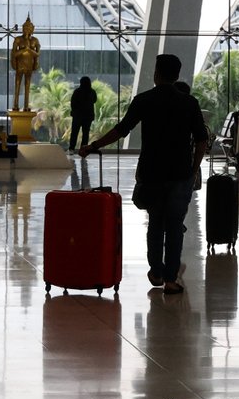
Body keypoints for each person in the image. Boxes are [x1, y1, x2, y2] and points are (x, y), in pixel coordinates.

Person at [79, 54, 207, 295]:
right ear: (177, 75)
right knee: (175, 225)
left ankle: (156, 271)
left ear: (156, 74)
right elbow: (202, 139)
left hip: (152, 172)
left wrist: (93, 146)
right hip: (180, 173)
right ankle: (171, 279)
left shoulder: (144, 100)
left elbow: (121, 130)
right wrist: (193, 168)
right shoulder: (189, 103)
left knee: (156, 223)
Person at [10, 16, 40, 111]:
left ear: (32, 29)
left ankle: (26, 105)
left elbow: (37, 54)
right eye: (25, 28)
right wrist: (24, 50)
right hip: (20, 64)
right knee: (17, 84)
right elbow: (14, 53)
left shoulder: (35, 40)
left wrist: (29, 51)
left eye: (29, 28)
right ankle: (15, 104)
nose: (27, 30)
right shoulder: (18, 40)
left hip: (29, 65)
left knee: (27, 85)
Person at [68, 76, 97, 154]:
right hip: (88, 116)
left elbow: (73, 103)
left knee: (74, 133)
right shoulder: (92, 92)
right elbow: (94, 100)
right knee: (85, 134)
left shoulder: (77, 92)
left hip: (77, 116)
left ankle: (71, 149)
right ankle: (83, 149)